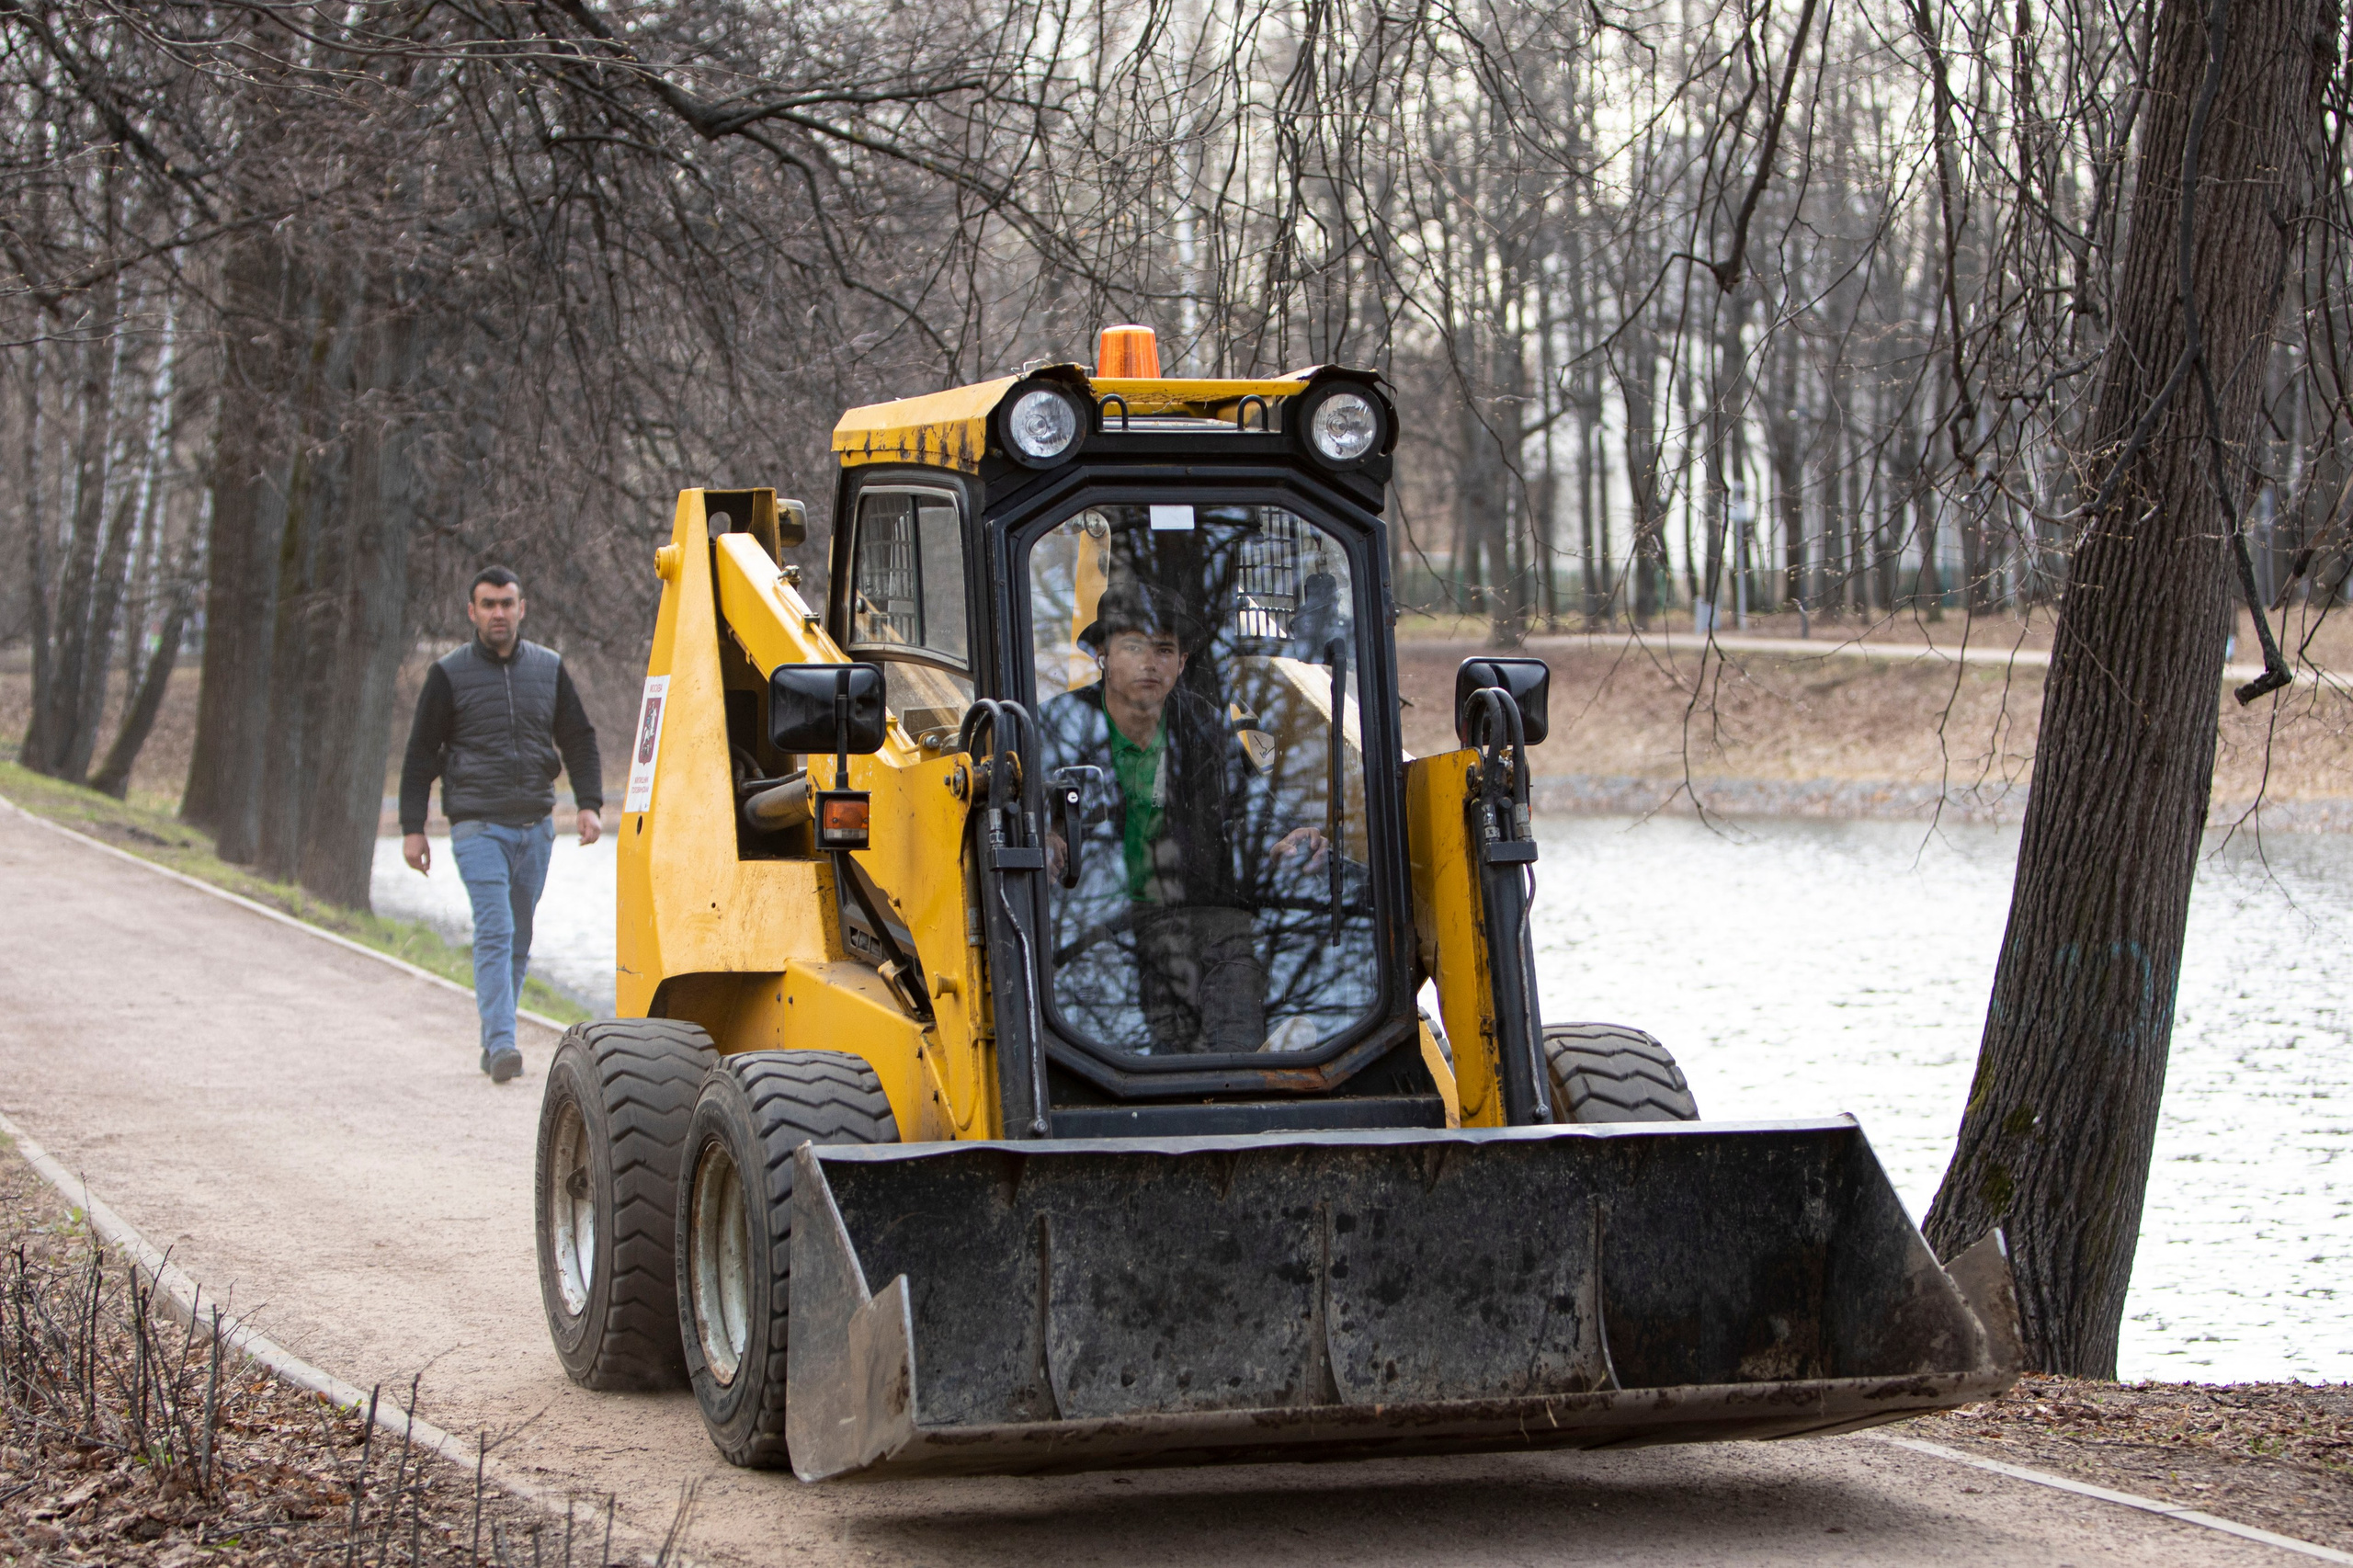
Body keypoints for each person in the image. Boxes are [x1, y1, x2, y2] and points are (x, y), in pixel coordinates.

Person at [1039, 581, 1324, 1053]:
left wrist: (1284, 834)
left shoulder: (1204, 725)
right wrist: (1045, 837)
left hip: (1192, 905)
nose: (1150, 663)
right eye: (1133, 647)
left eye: (1164, 650)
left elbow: (1249, 800)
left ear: (1183, 662)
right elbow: (1021, 813)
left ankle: (1245, 1074)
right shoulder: (1056, 729)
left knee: (1236, 945)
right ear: (1103, 655)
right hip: (1092, 912)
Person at [399, 568, 604, 1083]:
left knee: (519, 935)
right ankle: (503, 1043)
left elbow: (578, 738)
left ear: (521, 608)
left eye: (506, 603)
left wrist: (589, 803)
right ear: (472, 612)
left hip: (535, 825)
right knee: (496, 928)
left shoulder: (548, 668)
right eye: (488, 604)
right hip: (477, 825)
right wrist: (412, 827)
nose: (498, 613)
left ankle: (495, 1038)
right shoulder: (448, 674)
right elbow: (420, 752)